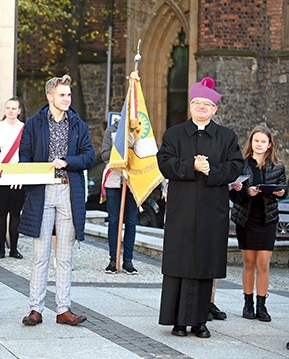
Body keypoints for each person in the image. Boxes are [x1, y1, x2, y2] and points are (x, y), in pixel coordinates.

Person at [156, 77, 243, 338]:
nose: (202, 107)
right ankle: (178, 322)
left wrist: (212, 170)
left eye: (207, 104)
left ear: (215, 109)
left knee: (204, 264)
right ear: (190, 106)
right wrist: (191, 166)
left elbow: (237, 166)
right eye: (197, 103)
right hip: (182, 210)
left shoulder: (227, 137)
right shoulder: (174, 134)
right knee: (179, 263)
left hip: (211, 211)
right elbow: (164, 163)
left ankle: (200, 321)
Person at [18, 75, 94, 326]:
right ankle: (35, 309)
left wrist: (67, 162)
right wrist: (34, 174)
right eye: (62, 95)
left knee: (64, 257)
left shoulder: (78, 124)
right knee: (40, 255)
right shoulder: (33, 124)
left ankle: (63, 309)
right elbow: (24, 158)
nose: (67, 99)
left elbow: (89, 157)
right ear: (50, 96)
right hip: (42, 192)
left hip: (68, 191)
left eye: (69, 95)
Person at [230, 125, 286, 322]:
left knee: (263, 263)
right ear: (251, 143)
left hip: (267, 219)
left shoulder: (278, 166)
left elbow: (284, 189)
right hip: (246, 219)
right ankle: (248, 303)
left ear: (269, 145)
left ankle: (262, 305)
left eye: (263, 141)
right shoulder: (241, 164)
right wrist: (246, 191)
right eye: (256, 141)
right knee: (249, 263)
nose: (259, 144)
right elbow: (233, 193)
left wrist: (281, 192)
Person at [101, 117, 139, 275]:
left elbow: (145, 155)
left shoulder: (139, 132)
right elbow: (104, 155)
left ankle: (128, 260)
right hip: (114, 181)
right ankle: (113, 259)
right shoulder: (111, 131)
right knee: (114, 221)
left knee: (130, 222)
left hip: (133, 181)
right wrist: (121, 148)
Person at [0, 97, 25, 259]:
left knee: (15, 213)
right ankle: (1, 248)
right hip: (1, 175)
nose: (10, 111)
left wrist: (23, 176)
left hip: (17, 176)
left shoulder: (25, 129)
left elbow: (26, 154)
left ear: (19, 111)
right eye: (8, 108)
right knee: (1, 213)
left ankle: (14, 249)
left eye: (14, 108)